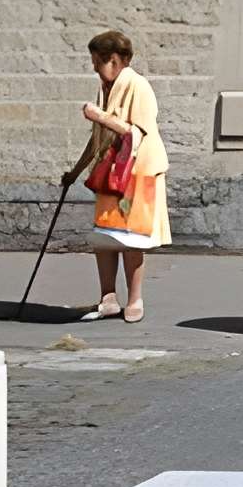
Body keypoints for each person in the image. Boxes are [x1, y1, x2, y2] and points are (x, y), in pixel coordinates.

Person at [63, 28, 170, 321]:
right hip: (109, 172)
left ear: (113, 59)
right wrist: (75, 171)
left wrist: (99, 115)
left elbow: (137, 133)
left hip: (137, 172)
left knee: (132, 239)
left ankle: (135, 300)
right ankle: (108, 298)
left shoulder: (139, 86)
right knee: (106, 238)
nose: (94, 67)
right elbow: (98, 136)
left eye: (97, 60)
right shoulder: (105, 88)